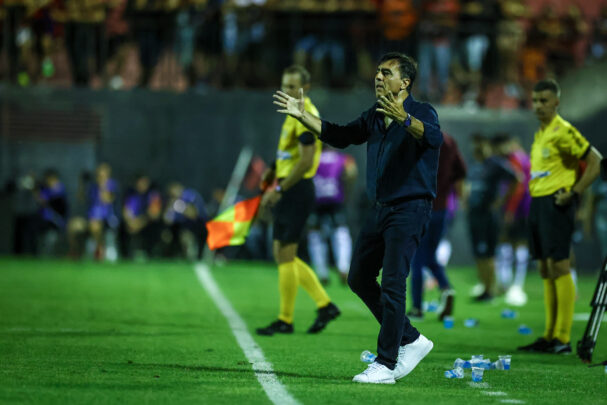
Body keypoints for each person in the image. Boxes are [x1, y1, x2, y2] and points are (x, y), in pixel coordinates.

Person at [273, 52, 441, 384]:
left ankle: (386, 363)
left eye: (386, 73)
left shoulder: (422, 112)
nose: (378, 77)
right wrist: (303, 116)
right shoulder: (376, 115)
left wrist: (406, 119)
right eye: (377, 72)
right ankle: (411, 338)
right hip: (379, 208)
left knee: (393, 283)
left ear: (405, 82)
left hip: (409, 209)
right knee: (358, 278)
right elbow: (341, 134)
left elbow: (434, 138)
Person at [518, 79, 602, 354]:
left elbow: (595, 161)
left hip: (557, 203)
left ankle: (563, 338)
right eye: (535, 100)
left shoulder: (563, 130)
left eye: (544, 100)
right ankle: (549, 335)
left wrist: (574, 192)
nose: (538, 105)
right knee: (545, 269)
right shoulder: (541, 133)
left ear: (556, 102)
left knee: (560, 267)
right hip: (539, 203)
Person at [256, 65, 341, 337]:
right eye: (285, 85)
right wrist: (272, 169)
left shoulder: (307, 115)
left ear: (306, 88)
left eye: (293, 86)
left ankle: (287, 318)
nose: (288, 91)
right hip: (289, 187)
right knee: (282, 253)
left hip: (296, 189)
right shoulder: (293, 114)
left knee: (284, 254)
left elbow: (305, 161)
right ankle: (323, 305)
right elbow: (289, 153)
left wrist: (279, 188)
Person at [409, 132, 466, 321]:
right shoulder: (449, 141)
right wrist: (459, 200)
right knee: (429, 256)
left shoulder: (416, 137)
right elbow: (461, 171)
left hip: (420, 207)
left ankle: (417, 307)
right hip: (442, 208)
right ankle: (446, 288)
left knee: (417, 258)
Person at [466, 133, 519, 302]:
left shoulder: (496, 164)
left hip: (488, 216)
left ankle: (490, 289)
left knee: (487, 253)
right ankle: (485, 287)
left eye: (480, 144)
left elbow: (517, 179)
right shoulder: (475, 166)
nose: (477, 148)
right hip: (474, 214)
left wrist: (500, 202)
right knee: (478, 253)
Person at [307, 145, 357, 285]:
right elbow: (352, 173)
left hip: (317, 202)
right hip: (335, 202)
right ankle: (343, 267)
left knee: (315, 236)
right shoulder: (343, 159)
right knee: (341, 234)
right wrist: (346, 193)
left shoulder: (312, 159)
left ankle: (322, 272)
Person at [492, 134, 532, 306]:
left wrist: (509, 210)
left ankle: (512, 285)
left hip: (518, 209)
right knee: (513, 244)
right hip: (525, 208)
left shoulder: (515, 159)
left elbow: (518, 187)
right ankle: (508, 284)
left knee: (512, 243)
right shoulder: (525, 159)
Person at [163, 182, 207, 260]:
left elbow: (193, 214)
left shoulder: (189, 195)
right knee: (167, 233)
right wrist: (170, 207)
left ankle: (194, 253)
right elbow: (167, 220)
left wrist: (179, 205)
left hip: (198, 223)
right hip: (181, 226)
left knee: (186, 234)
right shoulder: (173, 201)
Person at [122, 174, 163, 259]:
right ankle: (127, 255)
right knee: (123, 227)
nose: (141, 185)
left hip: (147, 223)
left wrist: (139, 223)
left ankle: (151, 253)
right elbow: (127, 211)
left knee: (154, 228)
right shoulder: (131, 194)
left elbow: (154, 214)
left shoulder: (153, 194)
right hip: (133, 223)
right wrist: (131, 222)